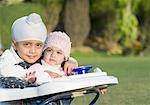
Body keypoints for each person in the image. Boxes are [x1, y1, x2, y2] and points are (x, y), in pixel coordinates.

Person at [0, 13, 77, 105]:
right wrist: (40, 74)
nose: (33, 51)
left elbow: (55, 58)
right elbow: (7, 71)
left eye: (38, 45)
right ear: (15, 45)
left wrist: (70, 61)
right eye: (27, 44)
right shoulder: (7, 58)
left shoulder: (37, 57)